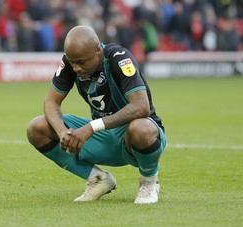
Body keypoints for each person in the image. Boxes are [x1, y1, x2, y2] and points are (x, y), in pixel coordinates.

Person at [26, 25, 166, 204]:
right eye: (73, 62)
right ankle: (98, 179)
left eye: (82, 62)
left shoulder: (118, 58)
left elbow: (141, 106)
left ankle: (149, 182)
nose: (76, 67)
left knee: (140, 128)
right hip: (103, 136)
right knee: (37, 128)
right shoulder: (72, 62)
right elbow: (51, 102)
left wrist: (92, 127)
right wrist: (62, 132)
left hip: (136, 136)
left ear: (98, 50)